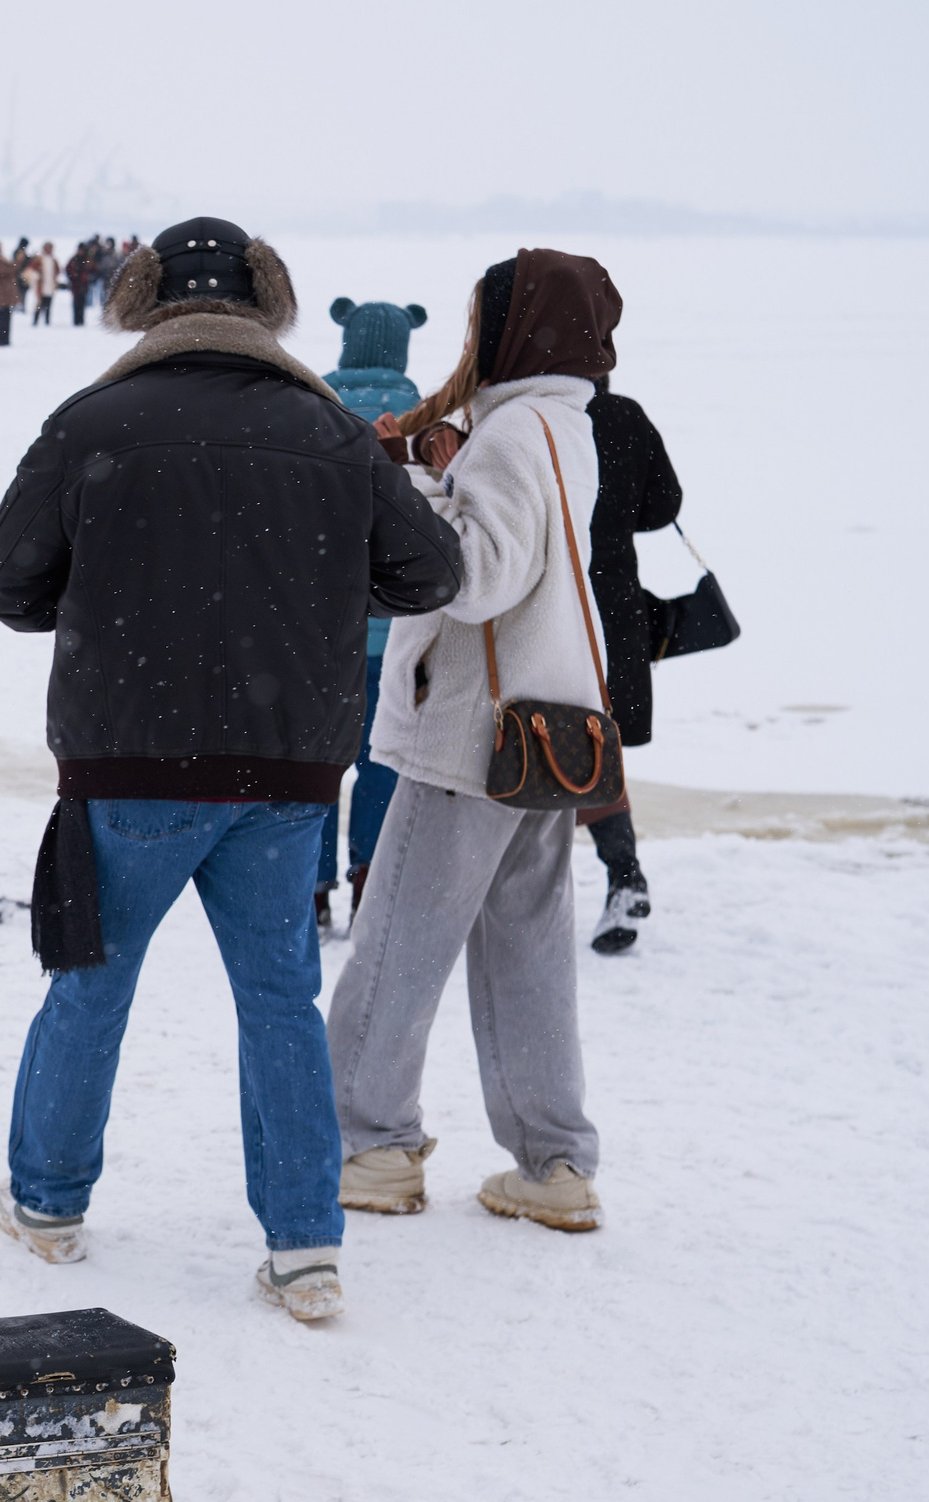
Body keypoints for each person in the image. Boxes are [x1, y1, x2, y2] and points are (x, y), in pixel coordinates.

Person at [0, 216, 461, 1324]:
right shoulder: (332, 432)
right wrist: (319, 597)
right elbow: (429, 572)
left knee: (89, 986)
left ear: (144, 305)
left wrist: (108, 597)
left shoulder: (94, 419)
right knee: (279, 1002)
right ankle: (303, 1248)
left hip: (126, 760)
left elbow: (9, 586)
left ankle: (48, 1206)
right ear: (269, 307)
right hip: (284, 772)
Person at [332, 248, 622, 1235]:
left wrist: (407, 490)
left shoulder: (510, 434)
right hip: (551, 729)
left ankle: (366, 1145)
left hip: (471, 736)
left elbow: (482, 575)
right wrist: (438, 464)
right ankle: (553, 1163)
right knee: (527, 957)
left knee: (398, 944)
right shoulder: (562, 426)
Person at [316, 297, 434, 928]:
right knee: (380, 761)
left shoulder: (313, 414)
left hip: (319, 630)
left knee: (320, 763)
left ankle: (310, 889)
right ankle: (369, 878)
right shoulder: (421, 421)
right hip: (398, 633)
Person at [578, 376, 683, 952]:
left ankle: (515, 896)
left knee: (536, 745)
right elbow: (665, 504)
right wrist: (614, 513)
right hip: (614, 604)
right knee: (596, 744)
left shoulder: (531, 413)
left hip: (554, 603)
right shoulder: (622, 415)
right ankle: (623, 874)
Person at [0, 239, 20, 345]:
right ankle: (2, 339)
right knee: (4, 315)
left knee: (4, 315)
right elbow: (6, 271)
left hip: (4, 291)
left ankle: (1, 338)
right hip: (2, 291)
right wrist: (17, 262)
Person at [29, 239, 59, 325]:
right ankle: (36, 321)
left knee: (48, 304)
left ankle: (47, 321)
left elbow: (57, 270)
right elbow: (32, 270)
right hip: (41, 285)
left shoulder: (53, 259)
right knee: (39, 304)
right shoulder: (39, 258)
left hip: (50, 284)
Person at [64, 240, 92, 328]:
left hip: (83, 286)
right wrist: (73, 278)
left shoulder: (87, 260)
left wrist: (88, 277)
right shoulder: (74, 259)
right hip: (75, 285)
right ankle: (76, 321)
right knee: (76, 303)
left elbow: (93, 270)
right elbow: (68, 270)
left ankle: (81, 321)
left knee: (82, 303)